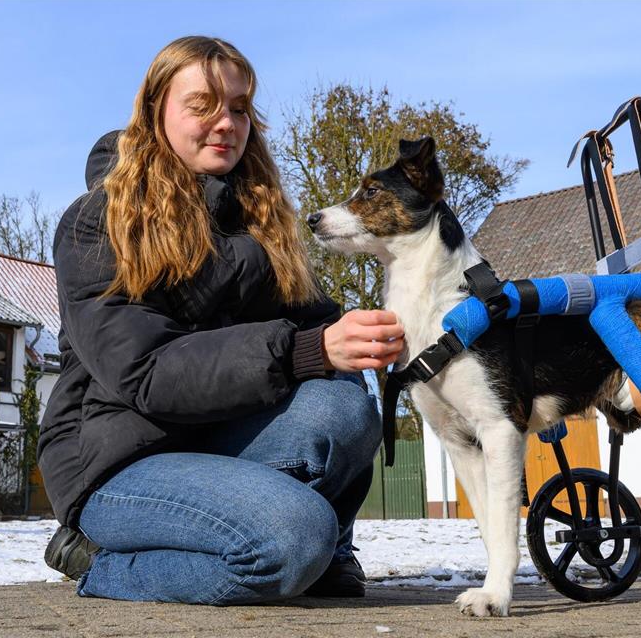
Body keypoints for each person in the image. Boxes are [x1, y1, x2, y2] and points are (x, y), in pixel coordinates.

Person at [38, 35, 404, 605]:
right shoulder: (97, 222)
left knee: (346, 408)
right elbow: (147, 374)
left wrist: (375, 337)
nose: (226, 122)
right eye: (202, 105)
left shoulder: (261, 224)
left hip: (214, 444)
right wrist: (304, 350)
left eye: (238, 108)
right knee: (290, 537)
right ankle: (101, 561)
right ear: (156, 112)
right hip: (118, 463)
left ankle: (324, 548)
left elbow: (324, 333)